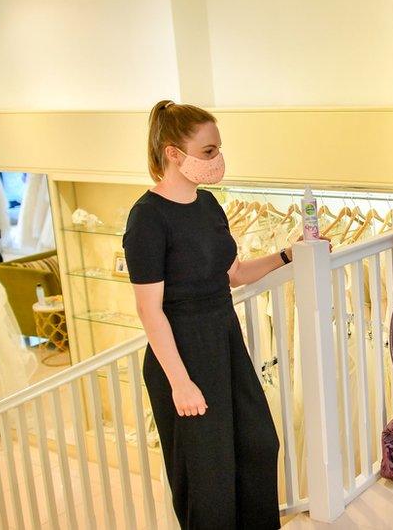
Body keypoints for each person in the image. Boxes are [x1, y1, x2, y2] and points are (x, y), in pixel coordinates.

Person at [124, 100, 296, 529]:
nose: (216, 159)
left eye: (217, 149)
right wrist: (180, 383)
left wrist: (286, 256)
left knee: (258, 445)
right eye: (208, 151)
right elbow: (149, 311)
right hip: (183, 355)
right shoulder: (147, 218)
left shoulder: (208, 206)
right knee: (208, 479)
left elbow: (234, 273)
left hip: (224, 344)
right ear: (172, 154)